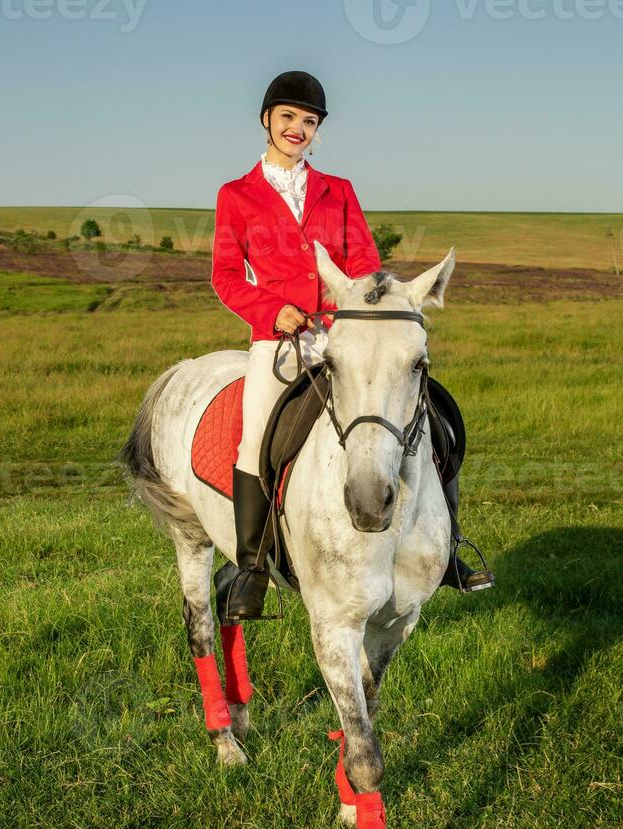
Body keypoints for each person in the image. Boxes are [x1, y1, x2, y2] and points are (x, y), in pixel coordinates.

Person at [211, 70, 494, 620]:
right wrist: (273, 309)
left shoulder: (338, 191)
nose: (298, 129)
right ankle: (251, 568)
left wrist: (365, 306)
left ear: (319, 130)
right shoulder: (236, 195)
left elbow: (363, 261)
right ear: (267, 120)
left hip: (346, 336)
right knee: (255, 442)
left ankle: (451, 545)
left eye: (309, 121)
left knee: (431, 416)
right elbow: (226, 276)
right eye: (288, 117)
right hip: (283, 341)